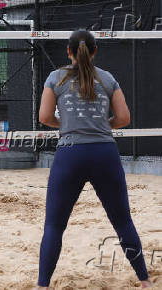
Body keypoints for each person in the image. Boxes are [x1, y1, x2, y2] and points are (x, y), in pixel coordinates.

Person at [34, 30, 152, 289]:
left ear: (68, 51)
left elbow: (44, 117)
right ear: (95, 51)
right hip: (104, 153)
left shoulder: (56, 77)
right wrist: (100, 125)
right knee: (123, 222)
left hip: (70, 154)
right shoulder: (108, 78)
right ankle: (144, 281)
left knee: (54, 225)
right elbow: (123, 118)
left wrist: (68, 124)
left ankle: (42, 285)